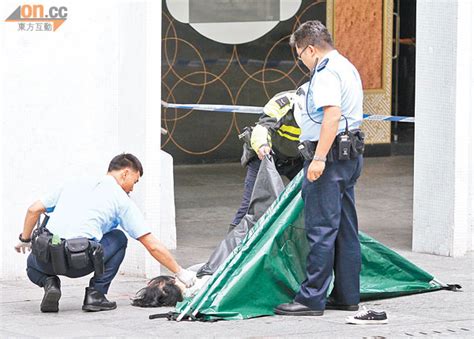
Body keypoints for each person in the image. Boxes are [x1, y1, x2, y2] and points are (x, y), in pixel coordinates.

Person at [14, 153, 196, 313]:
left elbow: (33, 210)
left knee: (32, 263)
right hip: (80, 263)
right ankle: (96, 295)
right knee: (119, 238)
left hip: (48, 261)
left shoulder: (74, 183)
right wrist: (180, 272)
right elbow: (151, 244)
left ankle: (50, 283)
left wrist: (25, 239)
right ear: (125, 173)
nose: (133, 188)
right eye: (135, 181)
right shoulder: (121, 199)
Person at [275, 20, 364, 316]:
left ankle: (311, 298)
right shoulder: (346, 65)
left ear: (311, 49)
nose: (301, 61)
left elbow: (331, 116)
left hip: (330, 159)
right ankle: (347, 294)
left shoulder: (325, 72)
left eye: (300, 54)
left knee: (321, 230)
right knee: (346, 229)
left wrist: (319, 159)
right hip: (350, 156)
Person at [230, 85, 307, 231]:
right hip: (266, 156)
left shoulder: (323, 106)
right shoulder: (284, 101)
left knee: (311, 198)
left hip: (296, 158)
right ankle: (232, 247)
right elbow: (263, 126)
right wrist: (262, 145)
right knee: (250, 205)